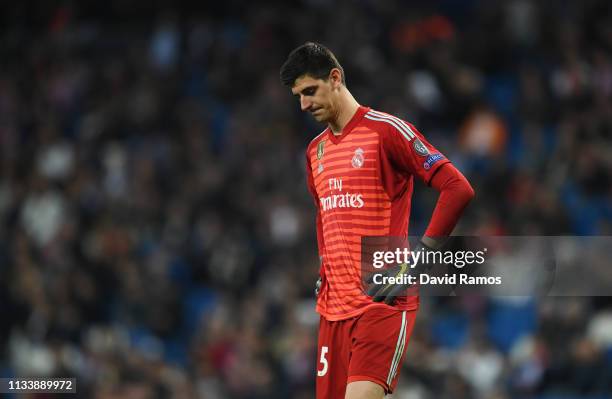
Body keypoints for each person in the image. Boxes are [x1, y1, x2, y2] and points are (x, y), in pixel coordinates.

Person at [280, 42, 475, 399]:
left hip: (381, 301)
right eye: (298, 97)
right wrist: (325, 267)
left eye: (310, 91)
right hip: (333, 312)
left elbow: (457, 188)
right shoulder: (315, 152)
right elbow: (324, 214)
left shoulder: (386, 131)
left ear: (335, 78)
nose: (304, 105)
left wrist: (416, 264)